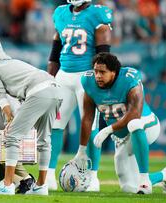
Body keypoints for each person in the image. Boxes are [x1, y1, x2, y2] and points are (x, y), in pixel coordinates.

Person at [80, 52, 166, 194]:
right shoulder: (88, 82)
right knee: (128, 187)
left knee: (134, 124)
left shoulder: (129, 79)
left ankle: (144, 179)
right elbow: (87, 117)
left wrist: (108, 129)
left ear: (114, 72)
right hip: (122, 136)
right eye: (96, 71)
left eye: (102, 72)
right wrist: (82, 149)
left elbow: (134, 114)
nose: (98, 75)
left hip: (146, 124)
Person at [0, 47, 62, 195]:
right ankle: (41, 186)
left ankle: (7, 185)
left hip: (38, 91)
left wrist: (9, 117)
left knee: (12, 136)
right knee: (44, 140)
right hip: (55, 88)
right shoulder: (11, 62)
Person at [46, 0, 113, 191]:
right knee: (55, 124)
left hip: (86, 76)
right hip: (63, 76)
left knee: (90, 126)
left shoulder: (97, 14)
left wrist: (99, 80)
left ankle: (93, 177)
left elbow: (104, 55)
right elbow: (55, 51)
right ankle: (48, 174)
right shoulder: (60, 13)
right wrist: (48, 77)